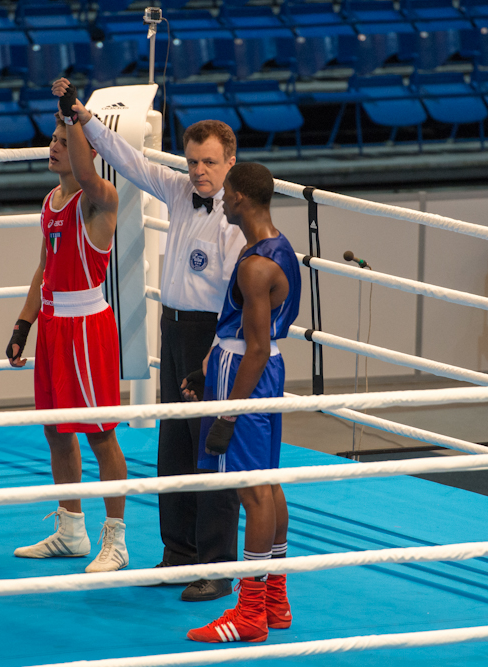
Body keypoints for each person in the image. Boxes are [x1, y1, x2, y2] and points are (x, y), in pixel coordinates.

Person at [51, 77, 245, 602]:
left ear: (230, 162)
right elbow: (129, 160)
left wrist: (207, 361)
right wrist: (81, 117)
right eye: (193, 161)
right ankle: (178, 553)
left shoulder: (236, 219)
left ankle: (216, 566)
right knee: (173, 449)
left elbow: (237, 302)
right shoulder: (180, 190)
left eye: (208, 163)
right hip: (175, 328)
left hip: (215, 340)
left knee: (211, 453)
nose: (199, 171)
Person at [4, 89, 129, 574]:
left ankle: (115, 540)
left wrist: (77, 117)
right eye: (52, 138)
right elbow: (44, 268)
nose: (54, 146)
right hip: (55, 325)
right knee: (56, 430)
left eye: (64, 139)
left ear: (88, 148)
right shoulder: (51, 200)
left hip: (87, 329)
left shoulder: (100, 200)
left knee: (100, 435)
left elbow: (87, 174)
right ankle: (71, 530)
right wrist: (23, 323)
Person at [181, 162, 300, 643]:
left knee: (251, 492)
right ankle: (274, 600)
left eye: (228, 193)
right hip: (266, 368)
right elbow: (250, 336)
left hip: (246, 373)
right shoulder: (279, 248)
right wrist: (204, 370)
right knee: (268, 486)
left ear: (244, 199)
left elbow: (249, 348)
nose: (223, 200)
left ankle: (249, 612)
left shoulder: (254, 266)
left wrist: (227, 412)